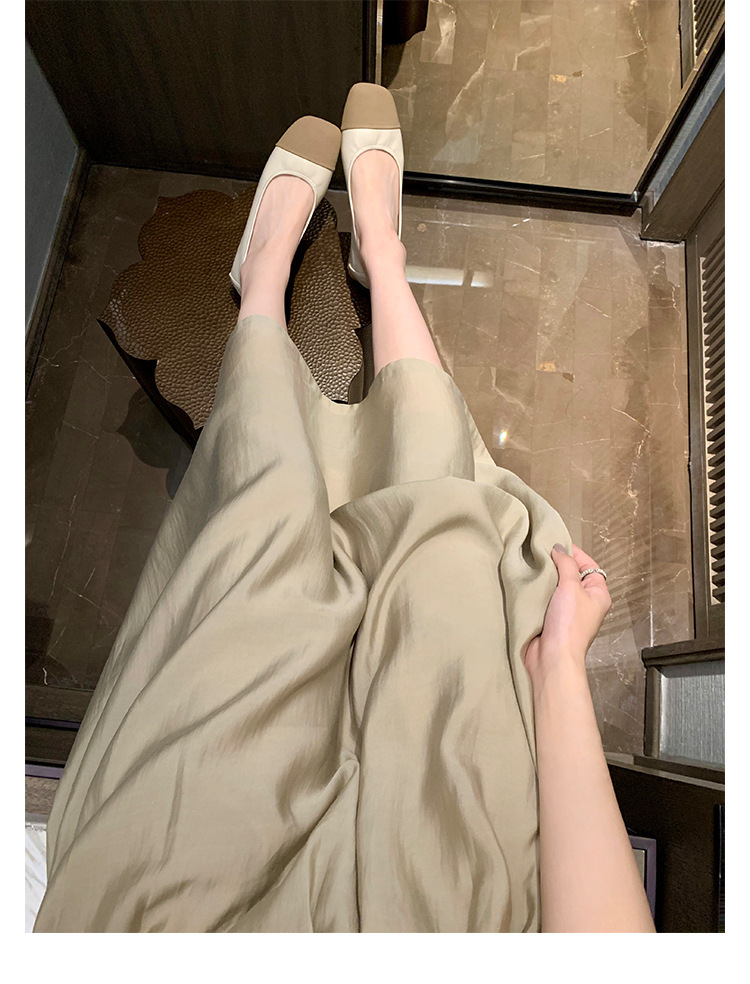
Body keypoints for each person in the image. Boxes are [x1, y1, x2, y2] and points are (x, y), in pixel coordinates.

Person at [33, 85, 654, 933]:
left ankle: (263, 280)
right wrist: (558, 670)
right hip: (445, 902)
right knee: (444, 559)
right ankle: (382, 255)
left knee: (261, 556)